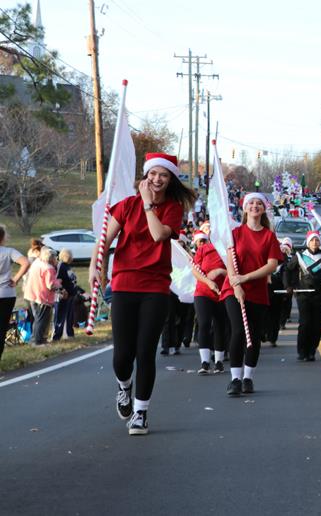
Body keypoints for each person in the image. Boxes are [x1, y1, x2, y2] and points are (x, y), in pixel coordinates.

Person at [90, 152, 195, 435]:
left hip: (156, 286)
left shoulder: (172, 208)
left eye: (163, 175)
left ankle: (140, 413)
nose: (157, 179)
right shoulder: (126, 206)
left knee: (145, 352)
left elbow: (158, 235)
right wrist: (93, 267)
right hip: (124, 283)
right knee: (122, 355)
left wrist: (149, 204)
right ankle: (124, 387)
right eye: (153, 174)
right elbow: (106, 240)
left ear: (170, 179)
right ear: (146, 175)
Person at [221, 192, 283, 397]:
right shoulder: (235, 233)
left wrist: (246, 278)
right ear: (245, 208)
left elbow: (272, 265)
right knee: (238, 331)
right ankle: (235, 379)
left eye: (259, 203)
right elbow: (230, 261)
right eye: (251, 203)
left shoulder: (269, 236)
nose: (254, 206)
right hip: (233, 289)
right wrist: (235, 283)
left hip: (256, 291)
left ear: (263, 209)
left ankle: (248, 377)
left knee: (253, 336)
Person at [285, 230, 321, 361]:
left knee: (317, 324)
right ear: (308, 242)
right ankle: (302, 351)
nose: (314, 242)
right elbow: (288, 270)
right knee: (305, 323)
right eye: (312, 240)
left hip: (319, 294)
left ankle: (312, 350)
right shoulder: (300, 256)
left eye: (317, 240)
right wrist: (289, 286)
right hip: (303, 295)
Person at [191, 230, 228, 375]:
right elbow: (195, 270)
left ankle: (219, 361)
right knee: (204, 323)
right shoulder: (203, 249)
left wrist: (220, 271)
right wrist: (208, 281)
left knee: (220, 325)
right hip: (203, 292)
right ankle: (205, 362)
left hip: (222, 292)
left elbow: (234, 272)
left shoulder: (228, 251)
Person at [0, 226, 30, 361]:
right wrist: (16, 279)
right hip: (6, 293)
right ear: (3, 237)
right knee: (2, 328)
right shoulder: (9, 252)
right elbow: (25, 262)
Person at [23, 247, 59, 345]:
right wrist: (59, 285)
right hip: (42, 297)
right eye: (55, 257)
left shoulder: (37, 263)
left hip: (31, 294)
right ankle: (37, 341)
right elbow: (50, 285)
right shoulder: (49, 268)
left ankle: (37, 339)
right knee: (42, 320)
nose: (56, 259)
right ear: (51, 258)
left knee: (37, 318)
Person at [264, 238, 293, 348]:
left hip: (278, 292)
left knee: (275, 315)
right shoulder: (264, 258)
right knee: (264, 314)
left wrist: (287, 289)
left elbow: (286, 275)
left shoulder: (284, 263)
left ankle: (273, 338)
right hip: (265, 291)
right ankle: (264, 333)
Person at [52, 249, 78, 341]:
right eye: (69, 256)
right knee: (60, 316)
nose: (71, 257)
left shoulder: (67, 266)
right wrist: (61, 291)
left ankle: (69, 334)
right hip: (64, 295)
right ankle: (57, 336)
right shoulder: (61, 265)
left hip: (71, 295)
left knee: (69, 316)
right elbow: (57, 280)